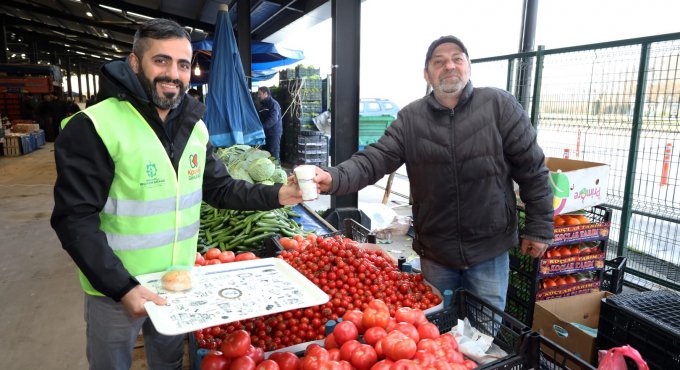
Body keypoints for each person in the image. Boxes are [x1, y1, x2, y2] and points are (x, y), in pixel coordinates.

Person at [50, 18, 303, 370]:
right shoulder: (96, 126)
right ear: (135, 63)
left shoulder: (195, 126)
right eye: (161, 61)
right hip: (114, 290)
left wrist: (279, 194)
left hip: (178, 283)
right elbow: (73, 219)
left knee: (168, 363)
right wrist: (121, 287)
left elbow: (221, 188)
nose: (174, 74)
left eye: (183, 64)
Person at [314, 36, 554, 310]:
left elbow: (532, 168)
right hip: (436, 252)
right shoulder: (411, 118)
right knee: (437, 331)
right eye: (439, 62)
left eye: (457, 59)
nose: (449, 66)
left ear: (468, 67)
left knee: (484, 332)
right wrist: (333, 177)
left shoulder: (499, 105)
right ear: (427, 74)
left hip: (489, 248)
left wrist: (539, 227)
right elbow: (374, 159)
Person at [257, 86, 283, 162]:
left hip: (273, 134)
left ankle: (278, 172)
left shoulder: (273, 104)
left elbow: (273, 119)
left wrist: (262, 127)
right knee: (266, 154)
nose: (258, 96)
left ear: (265, 94)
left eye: (260, 94)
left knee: (273, 154)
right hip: (265, 133)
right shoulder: (262, 105)